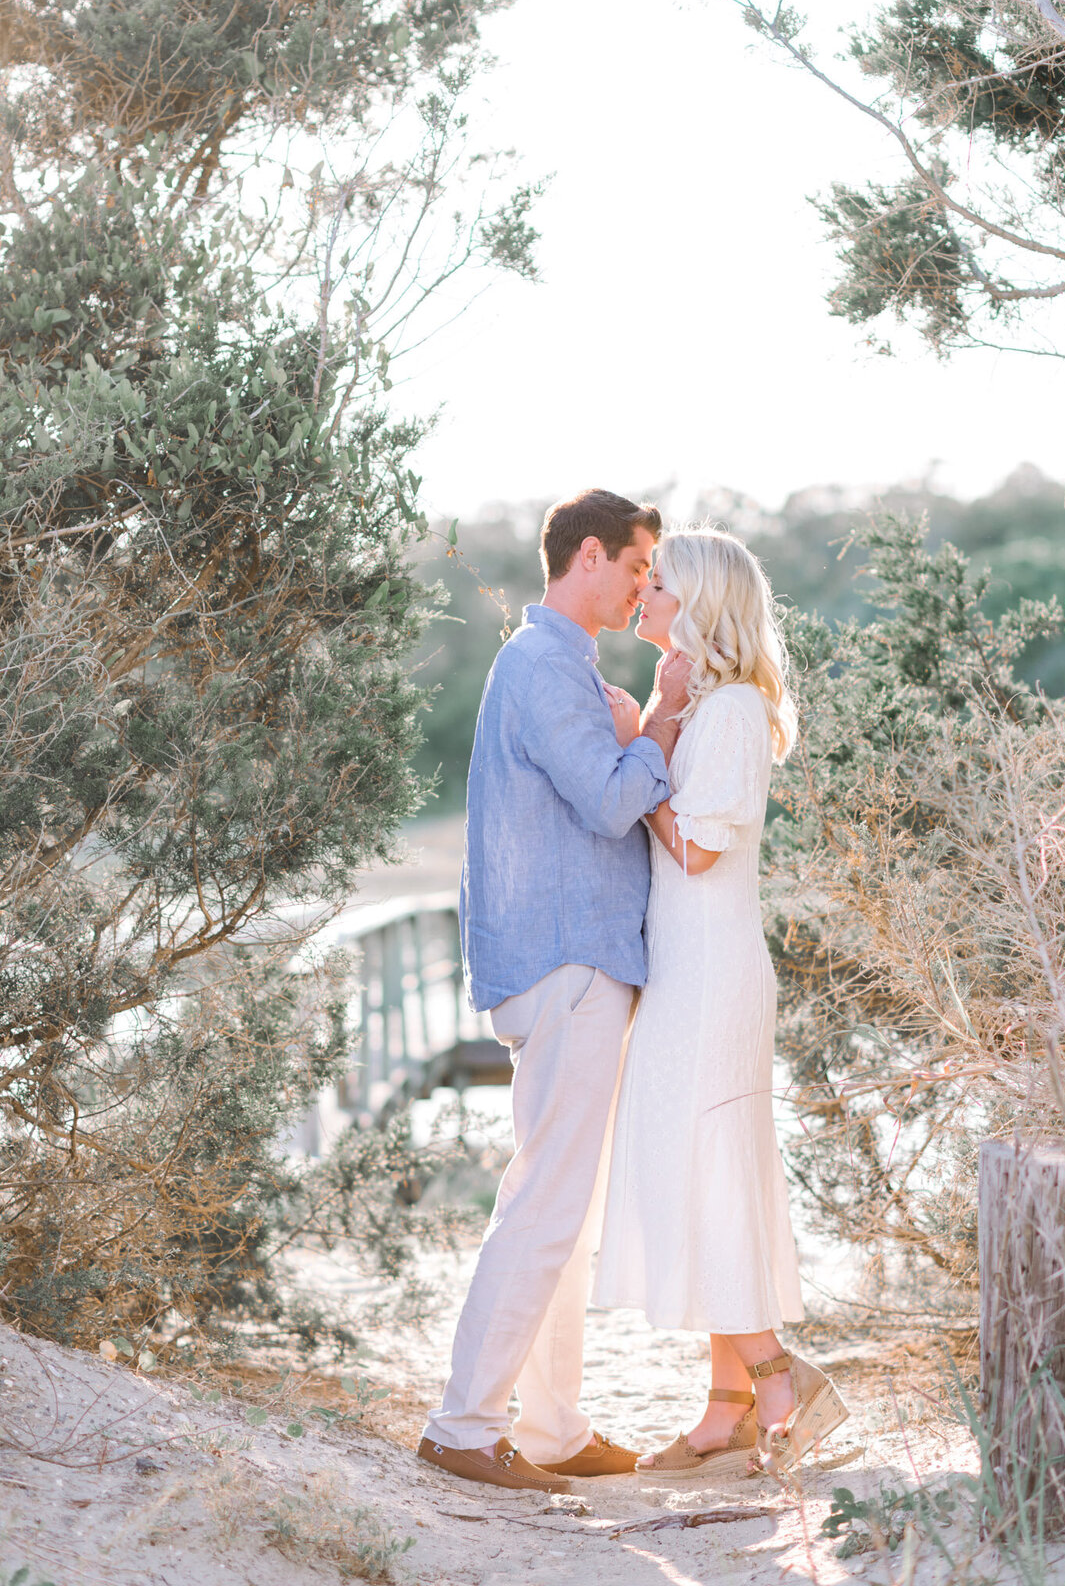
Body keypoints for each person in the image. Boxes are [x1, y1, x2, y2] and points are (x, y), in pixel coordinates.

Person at [418, 488, 692, 1493]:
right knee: (544, 1205)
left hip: (567, 959)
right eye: (635, 565)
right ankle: (464, 1423)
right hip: (568, 960)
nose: (642, 586)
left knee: (560, 1209)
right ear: (588, 554)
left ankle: (549, 1424)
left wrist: (636, 717)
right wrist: (664, 712)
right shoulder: (543, 667)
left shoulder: (553, 666)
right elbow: (617, 798)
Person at [592, 526, 849, 1479]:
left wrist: (638, 748)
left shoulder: (735, 710)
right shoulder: (705, 708)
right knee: (701, 1172)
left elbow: (696, 852)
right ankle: (725, 1411)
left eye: (661, 584)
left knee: (705, 1171)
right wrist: (655, 730)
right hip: (687, 970)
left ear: (702, 604)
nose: (646, 595)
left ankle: (782, 1382)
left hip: (711, 978)